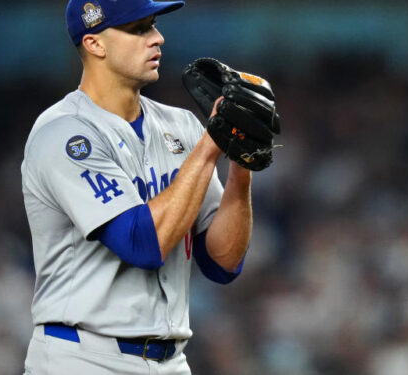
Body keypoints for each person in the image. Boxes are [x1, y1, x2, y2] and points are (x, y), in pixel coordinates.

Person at [21, 1, 253, 374]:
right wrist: (213, 143)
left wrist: (242, 165)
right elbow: (142, 243)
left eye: (154, 25)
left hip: (171, 360)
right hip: (83, 357)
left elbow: (223, 263)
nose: (157, 38)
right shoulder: (63, 133)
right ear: (96, 44)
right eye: (139, 28)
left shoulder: (182, 126)